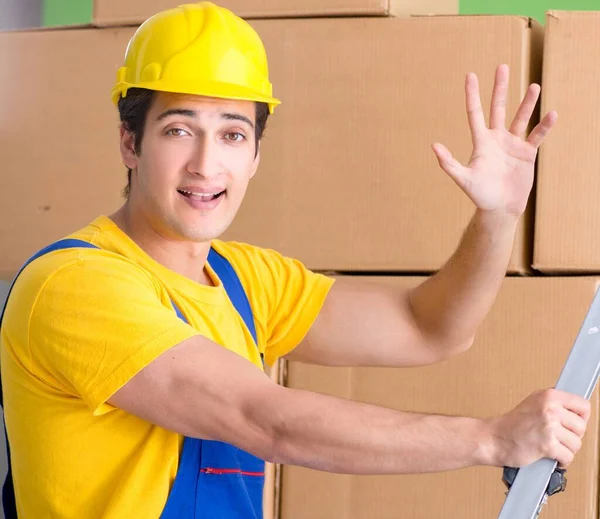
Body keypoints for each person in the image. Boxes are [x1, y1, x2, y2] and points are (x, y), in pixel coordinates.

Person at [0, 2, 590, 518]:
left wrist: (498, 217)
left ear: (256, 153)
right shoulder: (75, 285)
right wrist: (489, 440)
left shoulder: (245, 281)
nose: (206, 165)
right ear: (130, 142)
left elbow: (428, 327)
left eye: (232, 135)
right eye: (179, 130)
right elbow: (265, 420)